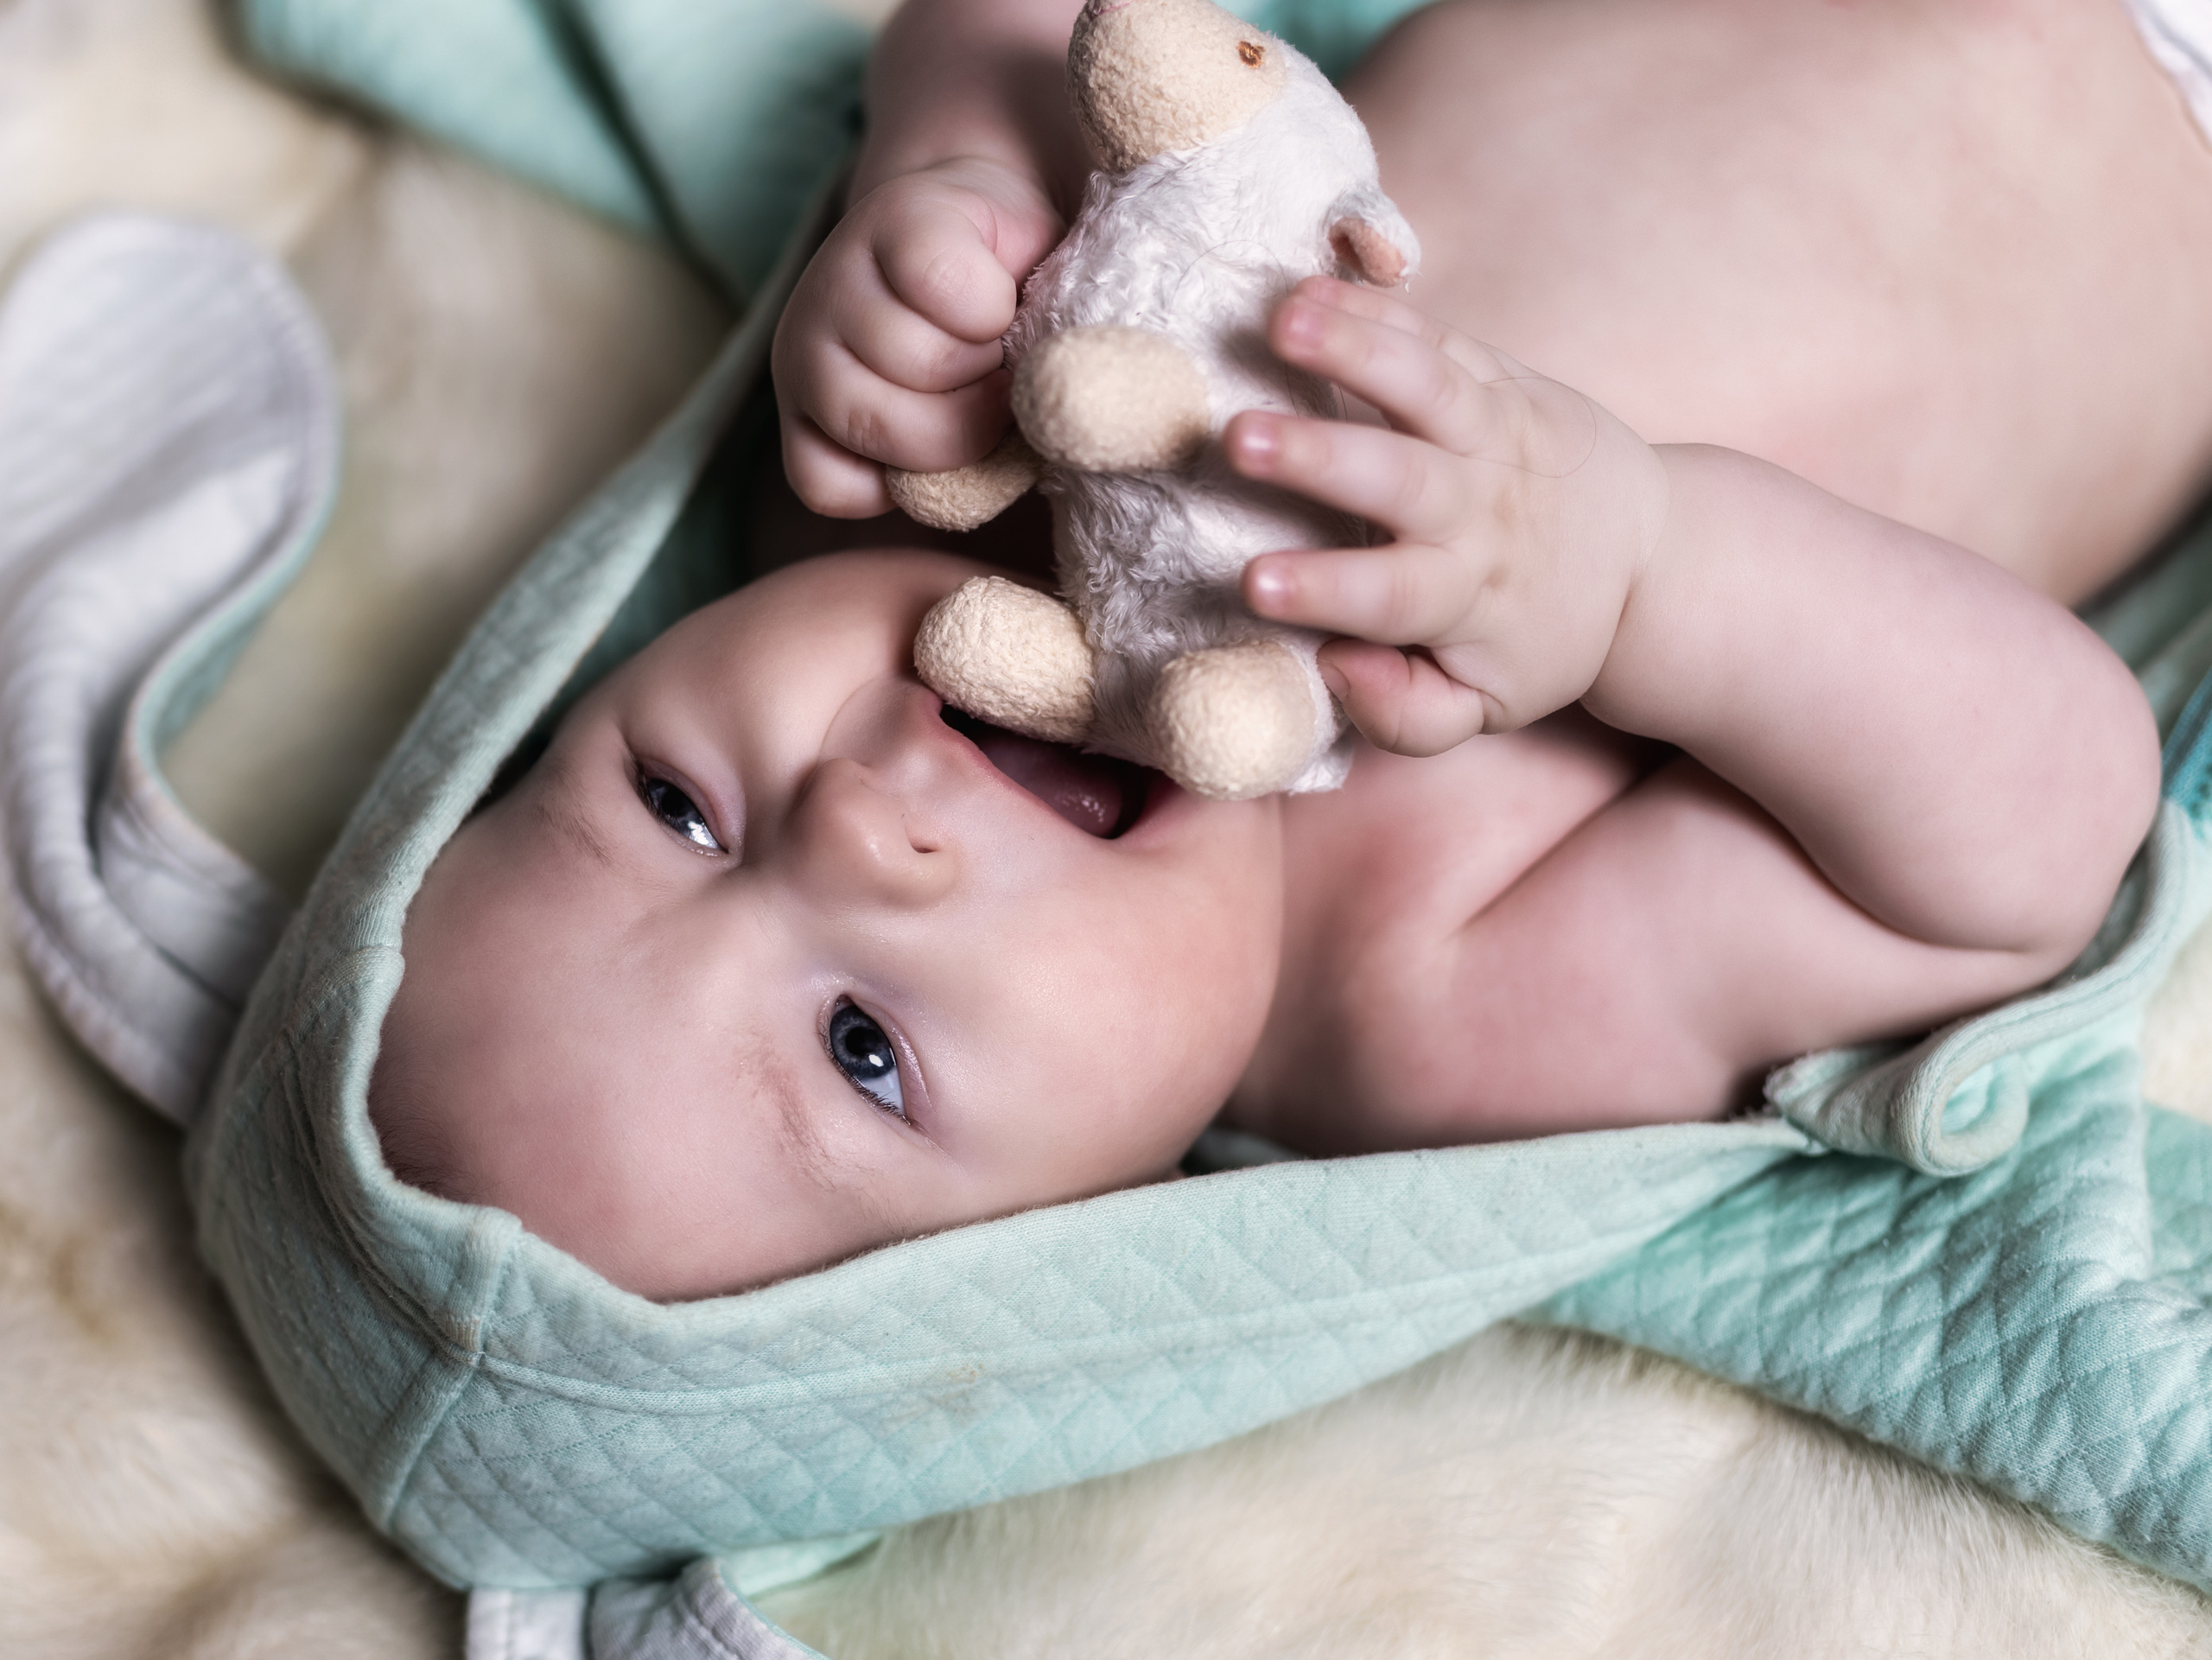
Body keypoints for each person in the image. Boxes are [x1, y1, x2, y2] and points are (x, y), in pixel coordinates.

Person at [369, 0, 2196, 1301]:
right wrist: (1638, 573)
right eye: (861, 1048)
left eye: (675, 806)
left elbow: (1033, 28)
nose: (856, 828)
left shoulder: (889, 487)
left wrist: (935, 180)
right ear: (1049, 1252)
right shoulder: (1428, 1011)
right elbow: (2030, 832)